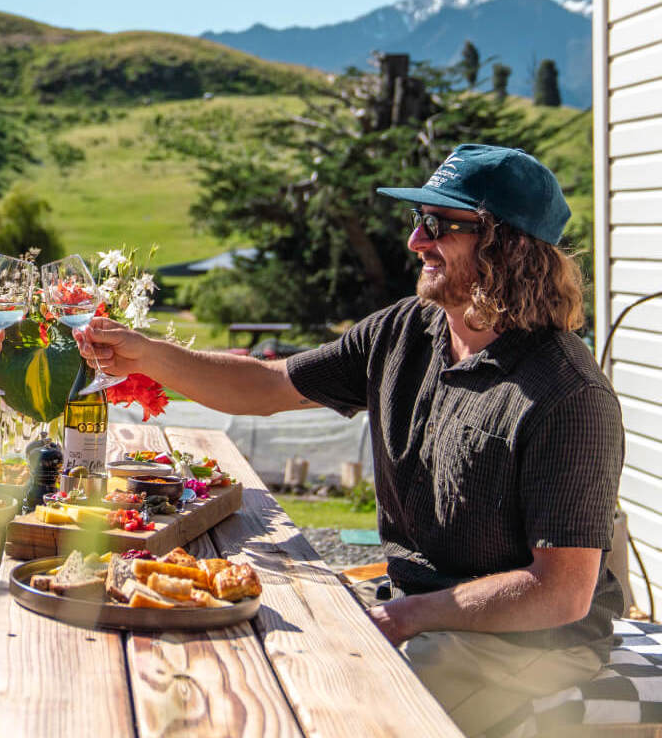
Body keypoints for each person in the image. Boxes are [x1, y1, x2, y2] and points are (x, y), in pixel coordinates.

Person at [79, 144, 622, 735]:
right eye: (417, 221)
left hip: (528, 640)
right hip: (427, 609)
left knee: (325, 704)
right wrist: (149, 354)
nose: (416, 241)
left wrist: (410, 615)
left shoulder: (567, 397)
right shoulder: (407, 330)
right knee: (236, 660)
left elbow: (561, 592)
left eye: (437, 225)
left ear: (506, 247)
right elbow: (269, 384)